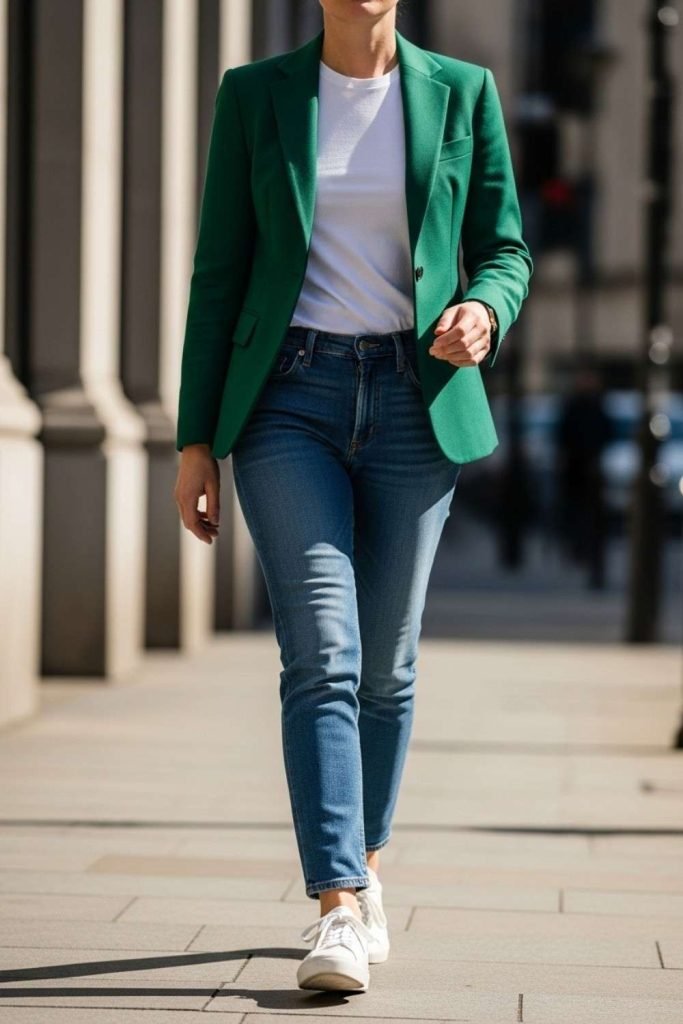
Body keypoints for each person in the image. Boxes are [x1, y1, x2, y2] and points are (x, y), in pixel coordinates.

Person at [173, 0, 533, 994]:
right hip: (288, 396)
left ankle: (367, 862)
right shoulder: (256, 96)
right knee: (322, 648)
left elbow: (505, 247)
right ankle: (335, 901)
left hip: (415, 401)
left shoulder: (462, 93)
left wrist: (481, 311)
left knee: (386, 662)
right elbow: (220, 269)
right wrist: (195, 437)